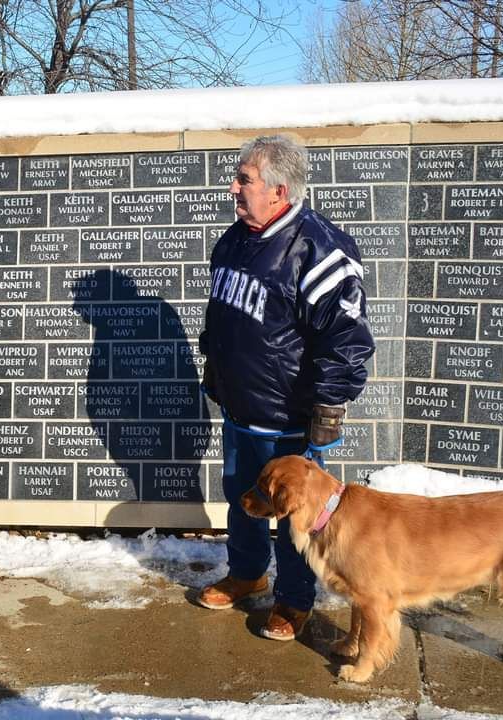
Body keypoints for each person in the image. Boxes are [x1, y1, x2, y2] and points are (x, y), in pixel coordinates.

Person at [197, 134, 375, 641]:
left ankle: (294, 600)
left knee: (297, 517)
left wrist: (328, 408)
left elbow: (348, 339)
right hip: (242, 408)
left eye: (244, 179)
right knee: (243, 497)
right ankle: (247, 572)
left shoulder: (320, 247)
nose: (233, 187)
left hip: (290, 420)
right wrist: (217, 364)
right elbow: (222, 312)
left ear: (278, 189)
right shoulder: (235, 238)